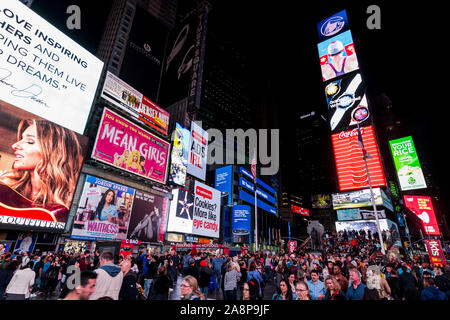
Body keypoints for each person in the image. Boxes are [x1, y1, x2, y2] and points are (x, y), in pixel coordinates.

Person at [0, 119, 83, 222]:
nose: (15, 145)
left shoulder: (69, 205)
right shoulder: (5, 183)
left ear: (53, 153)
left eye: (30, 142)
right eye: (21, 139)